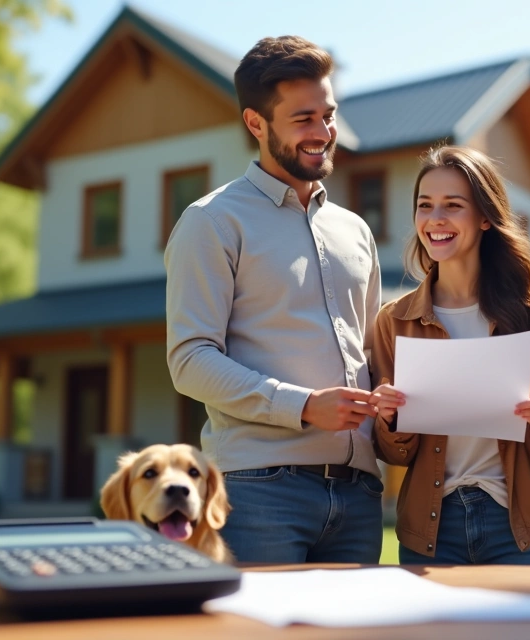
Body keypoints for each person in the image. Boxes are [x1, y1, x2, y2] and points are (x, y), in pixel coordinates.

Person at [164, 36, 384, 563]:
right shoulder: (212, 222)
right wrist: (304, 407)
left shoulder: (355, 230)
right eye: (303, 119)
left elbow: (376, 352)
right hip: (260, 491)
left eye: (328, 115)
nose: (323, 133)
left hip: (360, 493)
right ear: (256, 124)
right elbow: (189, 360)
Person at [367, 145, 530, 566]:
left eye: (453, 206)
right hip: (434, 531)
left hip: (526, 529)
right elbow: (392, 453)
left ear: (485, 217)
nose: (435, 219)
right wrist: (390, 418)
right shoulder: (393, 321)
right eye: (425, 206)